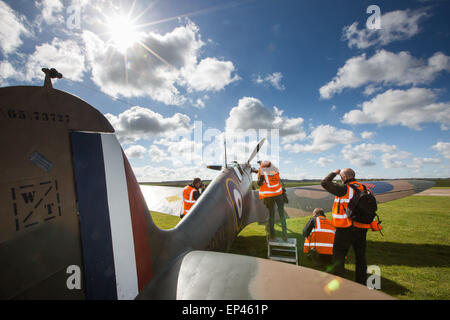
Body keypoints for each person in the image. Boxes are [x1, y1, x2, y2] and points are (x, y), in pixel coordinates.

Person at [321, 168, 381, 285]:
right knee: (361, 257)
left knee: (339, 255)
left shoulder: (345, 189)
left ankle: (338, 282)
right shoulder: (366, 189)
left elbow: (325, 183)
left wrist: (334, 173)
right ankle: (361, 283)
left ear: (344, 177)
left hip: (345, 227)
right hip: (362, 228)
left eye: (341, 176)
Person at [257, 161, 288, 241]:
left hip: (270, 196)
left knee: (271, 216)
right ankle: (285, 235)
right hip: (279, 194)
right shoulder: (275, 170)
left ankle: (273, 236)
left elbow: (259, 183)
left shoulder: (263, 173)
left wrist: (260, 178)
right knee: (282, 215)